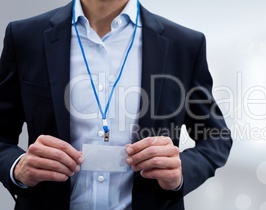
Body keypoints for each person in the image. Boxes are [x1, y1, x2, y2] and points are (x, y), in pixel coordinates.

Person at [0, 0, 232, 209]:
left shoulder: (185, 45)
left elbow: (216, 136)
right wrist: (17, 168)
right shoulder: (25, 37)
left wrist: (182, 170)